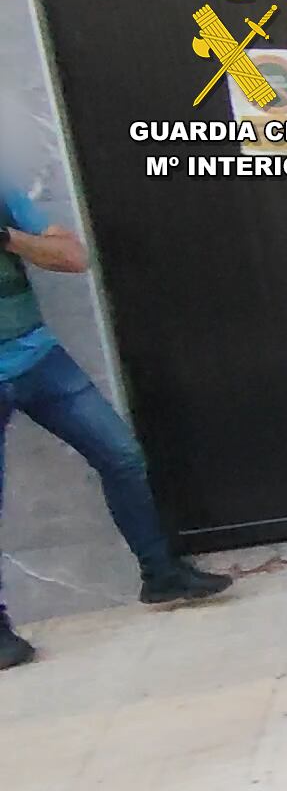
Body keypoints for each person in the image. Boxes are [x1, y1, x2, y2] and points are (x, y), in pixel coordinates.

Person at [0, 179, 232, 671]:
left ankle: (161, 573)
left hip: (38, 358)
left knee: (121, 455)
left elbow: (72, 256)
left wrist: (10, 239)